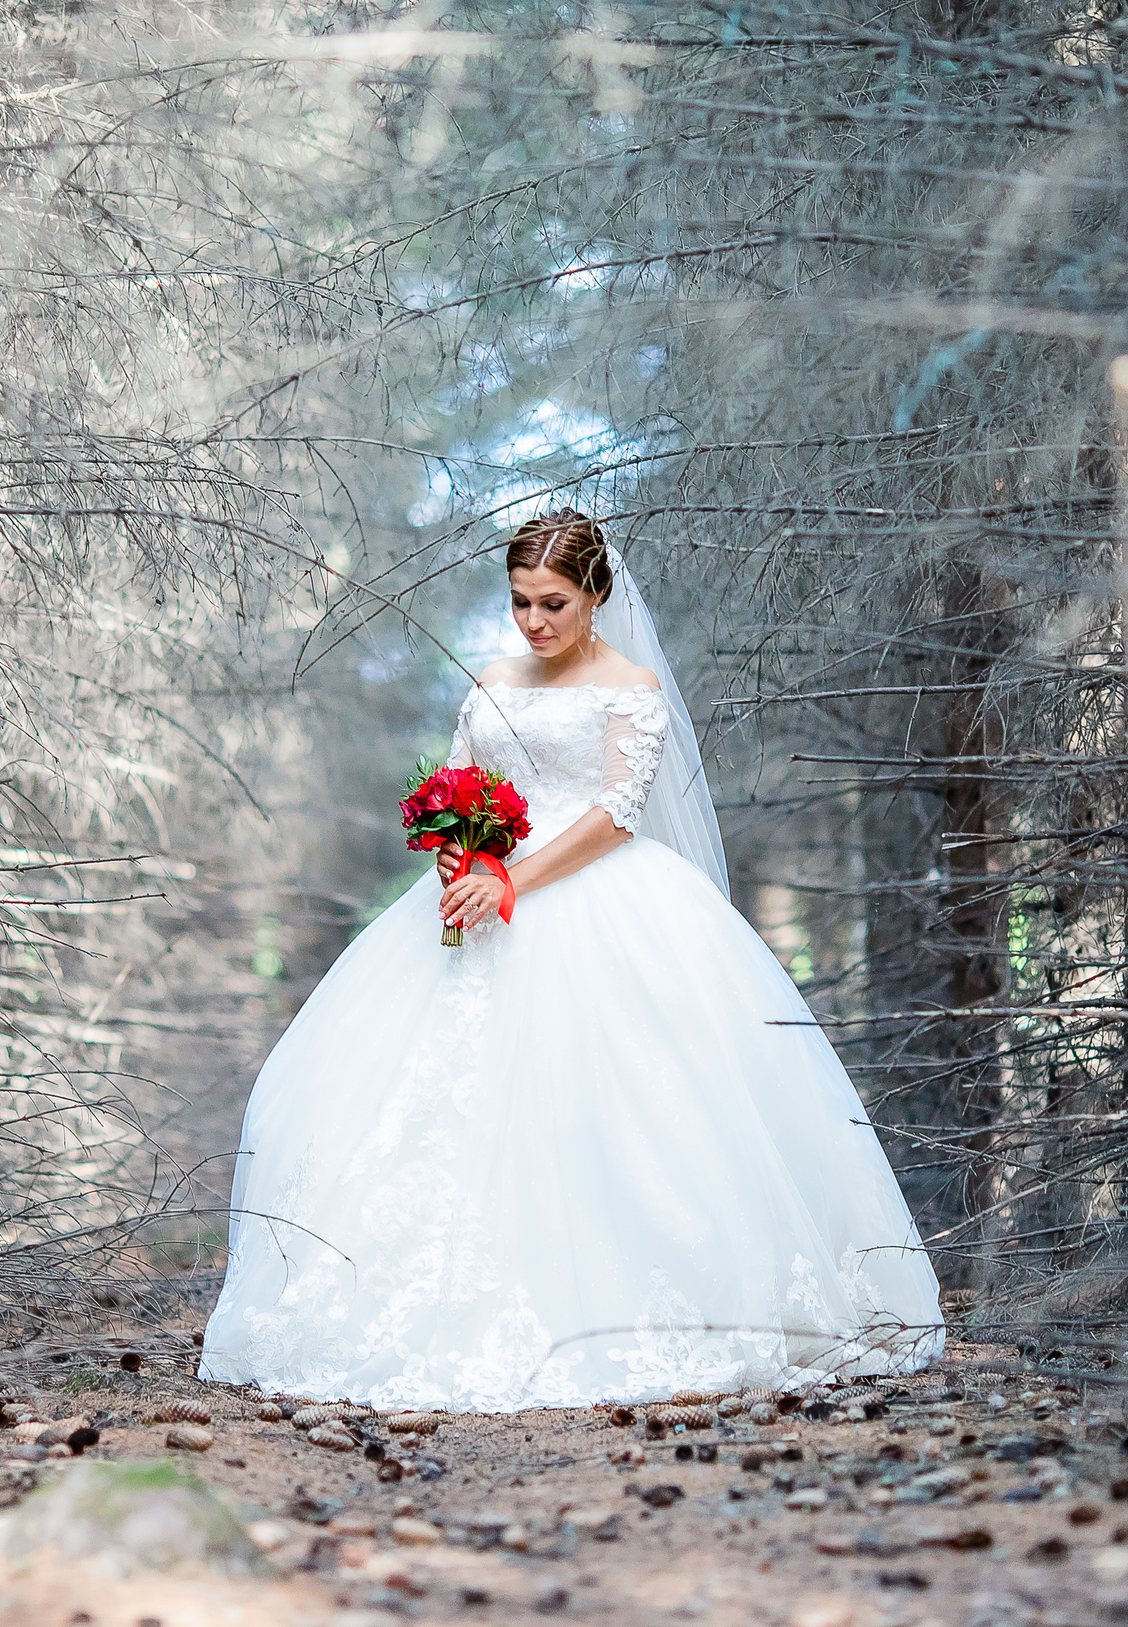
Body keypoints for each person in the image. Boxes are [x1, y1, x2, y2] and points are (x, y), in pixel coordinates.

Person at [197, 511, 943, 1410]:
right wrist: (457, 851)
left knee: (619, 1100)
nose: (533, 621)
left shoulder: (629, 687)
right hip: (481, 892)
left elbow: (615, 814)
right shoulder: (495, 679)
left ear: (596, 595)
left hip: (597, 893)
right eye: (519, 602)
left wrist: (513, 880)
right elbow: (460, 783)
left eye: (553, 602)